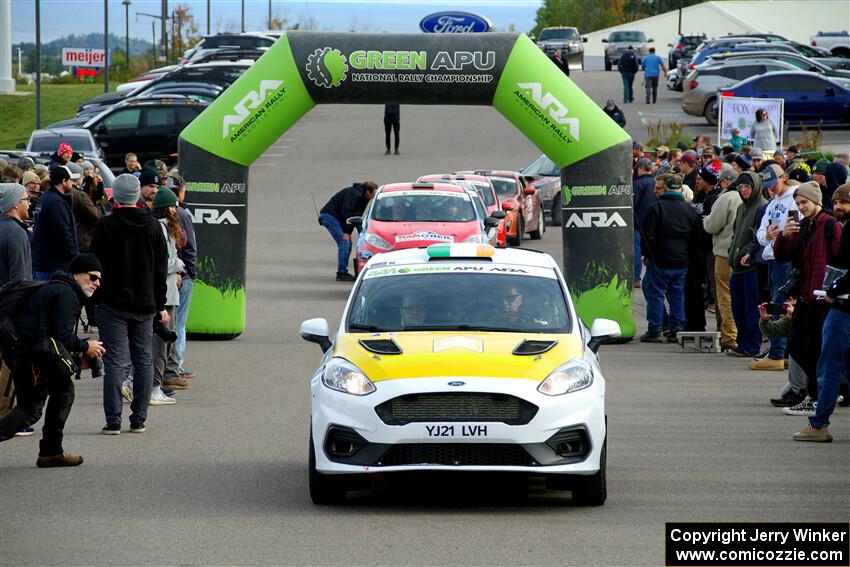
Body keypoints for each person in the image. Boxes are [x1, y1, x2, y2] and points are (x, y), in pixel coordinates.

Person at [0, 253, 105, 467]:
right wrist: (87, 346)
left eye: (99, 279)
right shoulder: (67, 294)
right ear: (76, 274)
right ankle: (50, 451)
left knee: (63, 391)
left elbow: (54, 335)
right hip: (32, 357)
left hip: (30, 353)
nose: (97, 283)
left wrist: (78, 352)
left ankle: (51, 451)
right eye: (92, 277)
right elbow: (63, 337)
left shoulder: (58, 288)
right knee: (29, 410)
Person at [90, 174, 169, 434]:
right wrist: (161, 304)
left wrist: (94, 301)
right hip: (145, 302)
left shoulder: (105, 225)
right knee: (143, 359)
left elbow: (95, 265)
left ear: (116, 196)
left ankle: (113, 419)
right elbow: (160, 271)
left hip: (112, 302)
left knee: (114, 360)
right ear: (137, 195)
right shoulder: (155, 227)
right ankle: (139, 418)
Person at [774, 181, 843, 417]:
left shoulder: (830, 225)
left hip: (823, 297)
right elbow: (782, 254)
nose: (801, 207)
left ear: (816, 201)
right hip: (805, 295)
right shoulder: (805, 225)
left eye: (804, 202)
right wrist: (783, 236)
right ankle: (818, 394)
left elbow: (840, 260)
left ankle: (816, 396)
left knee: (815, 349)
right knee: (797, 345)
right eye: (798, 203)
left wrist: (833, 291)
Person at [794, 183, 850, 441]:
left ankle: (818, 425)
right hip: (838, 303)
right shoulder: (840, 226)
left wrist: (833, 289)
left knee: (828, 365)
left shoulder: (840, 228)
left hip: (842, 307)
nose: (838, 206)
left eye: (844, 202)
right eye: (836, 201)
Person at [639, 173, 699, 342]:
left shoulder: (656, 208)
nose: (655, 191)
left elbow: (647, 235)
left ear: (665, 188)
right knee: (677, 294)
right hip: (681, 260)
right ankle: (677, 328)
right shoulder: (689, 210)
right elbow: (696, 238)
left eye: (658, 188)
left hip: (659, 260)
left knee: (656, 294)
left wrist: (647, 255)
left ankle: (655, 328)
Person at [751, 164, 797, 370]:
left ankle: (777, 354)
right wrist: (767, 236)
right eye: (768, 186)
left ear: (784, 177)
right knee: (778, 302)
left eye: (774, 183)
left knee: (781, 303)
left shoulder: (795, 199)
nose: (772, 189)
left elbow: (798, 227)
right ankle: (782, 352)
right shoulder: (772, 204)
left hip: (785, 258)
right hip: (772, 257)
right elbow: (760, 233)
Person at [727, 172, 768, 357]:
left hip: (751, 266)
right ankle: (742, 343)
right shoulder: (742, 208)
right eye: (741, 187)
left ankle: (752, 345)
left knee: (751, 307)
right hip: (737, 266)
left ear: (756, 187)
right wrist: (731, 252)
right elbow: (736, 234)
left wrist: (745, 253)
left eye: (747, 186)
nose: (744, 190)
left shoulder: (762, 207)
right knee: (737, 306)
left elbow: (759, 237)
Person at [703, 169, 743, 350]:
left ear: (726, 182)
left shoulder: (726, 198)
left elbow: (712, 225)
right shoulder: (748, 197)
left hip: (724, 253)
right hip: (744, 254)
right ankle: (743, 334)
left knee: (725, 295)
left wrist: (704, 220)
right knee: (743, 296)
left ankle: (729, 336)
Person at [319, 181, 377, 281]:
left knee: (347, 243)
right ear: (368, 191)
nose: (374, 196)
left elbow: (356, 216)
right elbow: (346, 213)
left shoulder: (364, 198)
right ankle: (341, 273)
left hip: (339, 218)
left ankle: (343, 271)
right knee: (344, 242)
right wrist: (346, 232)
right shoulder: (354, 194)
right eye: (373, 193)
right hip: (329, 216)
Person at [30, 165, 79, 281]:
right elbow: (63, 233)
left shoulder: (46, 198)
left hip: (44, 261)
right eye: (71, 180)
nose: (73, 183)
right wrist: (74, 257)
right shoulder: (56, 202)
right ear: (64, 181)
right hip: (54, 265)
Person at [171, 176, 197, 380]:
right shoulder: (184, 213)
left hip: (171, 273)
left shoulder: (161, 213)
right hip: (182, 274)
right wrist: (191, 272)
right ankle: (176, 365)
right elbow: (190, 247)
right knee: (179, 323)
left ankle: (172, 365)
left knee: (172, 323)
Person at [0, 183, 32, 284]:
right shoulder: (16, 232)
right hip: (11, 297)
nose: (29, 203)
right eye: (27, 199)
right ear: (15, 203)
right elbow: (20, 279)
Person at [632, 157, 657, 287]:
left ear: (641, 169)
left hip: (638, 222)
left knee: (636, 249)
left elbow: (632, 204)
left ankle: (636, 277)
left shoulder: (637, 184)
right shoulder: (656, 182)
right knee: (652, 250)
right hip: (654, 223)